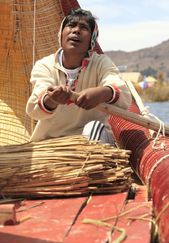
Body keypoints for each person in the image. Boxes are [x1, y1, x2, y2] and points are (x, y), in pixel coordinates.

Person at [26, 8, 132, 144]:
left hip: (90, 139)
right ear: (61, 35)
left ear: (92, 40)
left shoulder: (101, 63)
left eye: (84, 27)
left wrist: (102, 93)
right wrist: (52, 99)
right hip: (49, 143)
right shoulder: (45, 65)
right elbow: (34, 110)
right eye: (71, 25)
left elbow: (124, 95)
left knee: (94, 128)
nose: (76, 30)